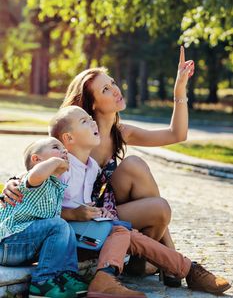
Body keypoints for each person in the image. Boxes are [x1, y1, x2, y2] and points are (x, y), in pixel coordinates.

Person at [2, 46, 195, 284]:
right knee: (159, 207)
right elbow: (41, 162)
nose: (116, 90)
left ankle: (157, 259)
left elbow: (177, 134)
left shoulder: (120, 132)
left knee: (135, 165)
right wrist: (14, 182)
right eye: (105, 88)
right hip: (83, 216)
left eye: (112, 82)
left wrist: (180, 88)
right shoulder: (76, 136)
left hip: (107, 208)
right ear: (92, 104)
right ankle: (163, 259)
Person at [49, 106, 231, 297]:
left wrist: (99, 212)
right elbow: (37, 197)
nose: (93, 122)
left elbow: (88, 203)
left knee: (126, 232)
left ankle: (188, 270)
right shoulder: (60, 166)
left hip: (89, 231)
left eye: (90, 118)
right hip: (68, 237)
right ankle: (185, 269)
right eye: (85, 121)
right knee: (122, 231)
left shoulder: (91, 167)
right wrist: (73, 213)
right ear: (69, 138)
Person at [0, 137, 88, 298]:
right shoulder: (33, 179)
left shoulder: (54, 185)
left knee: (65, 227)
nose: (64, 151)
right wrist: (55, 161)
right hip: (7, 245)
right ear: (36, 159)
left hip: (22, 247)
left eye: (64, 150)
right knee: (59, 225)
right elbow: (36, 175)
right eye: (56, 147)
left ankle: (66, 275)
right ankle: (42, 282)